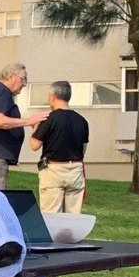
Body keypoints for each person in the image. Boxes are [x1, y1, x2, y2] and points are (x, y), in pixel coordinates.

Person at [30, 80, 90, 213]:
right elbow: (83, 149)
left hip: (53, 170)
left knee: (51, 216)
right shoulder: (82, 121)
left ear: (53, 97)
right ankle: (72, 235)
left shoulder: (49, 119)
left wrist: (35, 128)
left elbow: (34, 145)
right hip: (75, 171)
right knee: (73, 217)